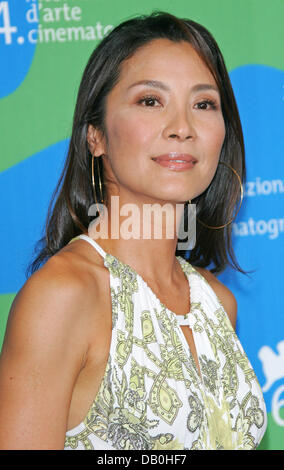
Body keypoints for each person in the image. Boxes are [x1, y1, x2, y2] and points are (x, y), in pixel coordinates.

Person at [0, 11, 267, 450]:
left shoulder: (218, 303)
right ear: (96, 135)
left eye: (203, 104)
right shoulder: (64, 296)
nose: (182, 128)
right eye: (150, 101)